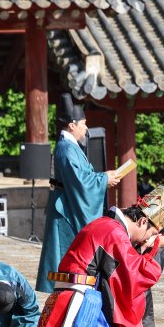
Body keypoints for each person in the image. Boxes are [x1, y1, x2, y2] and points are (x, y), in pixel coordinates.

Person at [21, 186, 164, 327]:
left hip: (72, 296)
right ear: (142, 221)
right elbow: (134, 275)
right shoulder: (114, 232)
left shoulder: (105, 225)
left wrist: (147, 245)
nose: (145, 239)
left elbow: (119, 263)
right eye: (150, 233)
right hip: (83, 304)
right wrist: (155, 248)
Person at [36, 93, 121, 293]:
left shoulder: (70, 147)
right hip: (66, 209)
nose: (86, 128)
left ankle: (71, 288)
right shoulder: (66, 149)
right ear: (72, 125)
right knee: (64, 252)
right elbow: (80, 181)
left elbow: (81, 177)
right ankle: (66, 290)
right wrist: (103, 180)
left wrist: (102, 178)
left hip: (69, 203)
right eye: (83, 123)